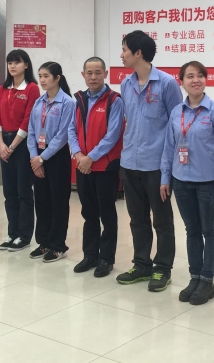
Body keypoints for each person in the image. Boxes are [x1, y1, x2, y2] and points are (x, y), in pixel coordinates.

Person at [160, 61, 214, 306]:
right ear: (181, 81)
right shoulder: (176, 112)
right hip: (181, 181)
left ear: (205, 80)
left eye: (200, 75)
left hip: (208, 183)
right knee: (191, 230)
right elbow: (169, 148)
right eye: (190, 76)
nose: (196, 80)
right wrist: (165, 178)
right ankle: (195, 278)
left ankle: (207, 280)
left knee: (209, 231)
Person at [117, 30, 183, 292]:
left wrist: (169, 170)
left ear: (138, 53)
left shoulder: (167, 84)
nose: (121, 55)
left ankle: (163, 268)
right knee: (137, 218)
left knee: (162, 220)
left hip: (157, 165)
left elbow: (177, 127)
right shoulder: (126, 84)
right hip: (129, 163)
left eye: (124, 50)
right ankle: (141, 264)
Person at [69, 57, 125, 278]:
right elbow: (71, 130)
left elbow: (113, 135)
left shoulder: (114, 100)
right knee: (88, 213)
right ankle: (90, 255)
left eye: (98, 72)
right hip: (83, 166)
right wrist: (78, 155)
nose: (93, 77)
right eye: (89, 73)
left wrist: (90, 157)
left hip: (105, 167)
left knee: (107, 214)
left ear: (105, 74)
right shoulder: (79, 100)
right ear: (83, 75)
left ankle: (106, 258)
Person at [27, 62, 75, 262]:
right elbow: (31, 130)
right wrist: (34, 157)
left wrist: (42, 158)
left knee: (58, 202)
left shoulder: (67, 103)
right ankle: (44, 242)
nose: (42, 80)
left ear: (57, 78)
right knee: (42, 201)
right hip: (38, 155)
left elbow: (63, 135)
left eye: (46, 76)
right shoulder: (39, 102)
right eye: (40, 76)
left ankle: (58, 245)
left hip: (57, 157)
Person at [0, 49, 40, 252]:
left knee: (23, 192)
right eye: (10, 62)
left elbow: (28, 120)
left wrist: (12, 146)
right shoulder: (2, 89)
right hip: (4, 143)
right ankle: (12, 233)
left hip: (22, 144)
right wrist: (1, 145)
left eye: (17, 62)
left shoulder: (32, 88)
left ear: (26, 65)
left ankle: (24, 235)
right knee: (9, 192)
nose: (12, 66)